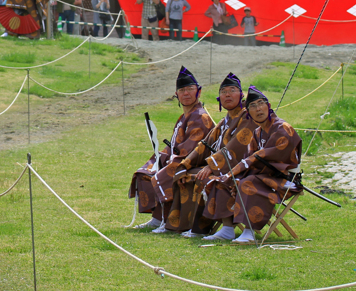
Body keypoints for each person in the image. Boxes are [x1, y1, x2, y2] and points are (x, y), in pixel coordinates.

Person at [201, 86, 302, 243]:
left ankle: (249, 231)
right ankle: (228, 229)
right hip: (261, 176)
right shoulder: (257, 133)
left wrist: (241, 171)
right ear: (249, 112)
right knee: (223, 181)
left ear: (268, 106)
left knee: (247, 182)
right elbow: (250, 159)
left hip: (281, 178)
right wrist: (232, 174)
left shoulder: (283, 128)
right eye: (253, 106)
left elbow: (266, 157)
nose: (258, 109)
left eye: (261, 103)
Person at [129, 67, 215, 233]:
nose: (186, 93)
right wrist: (160, 156)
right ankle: (157, 217)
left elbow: (193, 149)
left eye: (190, 89)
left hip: (194, 162)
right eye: (182, 90)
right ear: (176, 94)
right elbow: (173, 144)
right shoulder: (183, 117)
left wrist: (171, 159)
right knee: (146, 170)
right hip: (180, 158)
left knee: (166, 172)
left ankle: (170, 220)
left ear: (199, 91)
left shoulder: (201, 116)